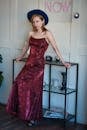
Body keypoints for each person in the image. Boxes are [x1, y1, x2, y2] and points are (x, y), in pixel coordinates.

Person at [6, 9, 71, 126]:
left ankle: (33, 117)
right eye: (33, 22)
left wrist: (64, 62)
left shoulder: (47, 34)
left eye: (37, 21)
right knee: (19, 82)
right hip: (29, 64)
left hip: (38, 66)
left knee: (34, 91)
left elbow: (56, 48)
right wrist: (20, 57)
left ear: (42, 21)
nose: (35, 24)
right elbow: (25, 47)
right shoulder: (31, 33)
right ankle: (22, 112)